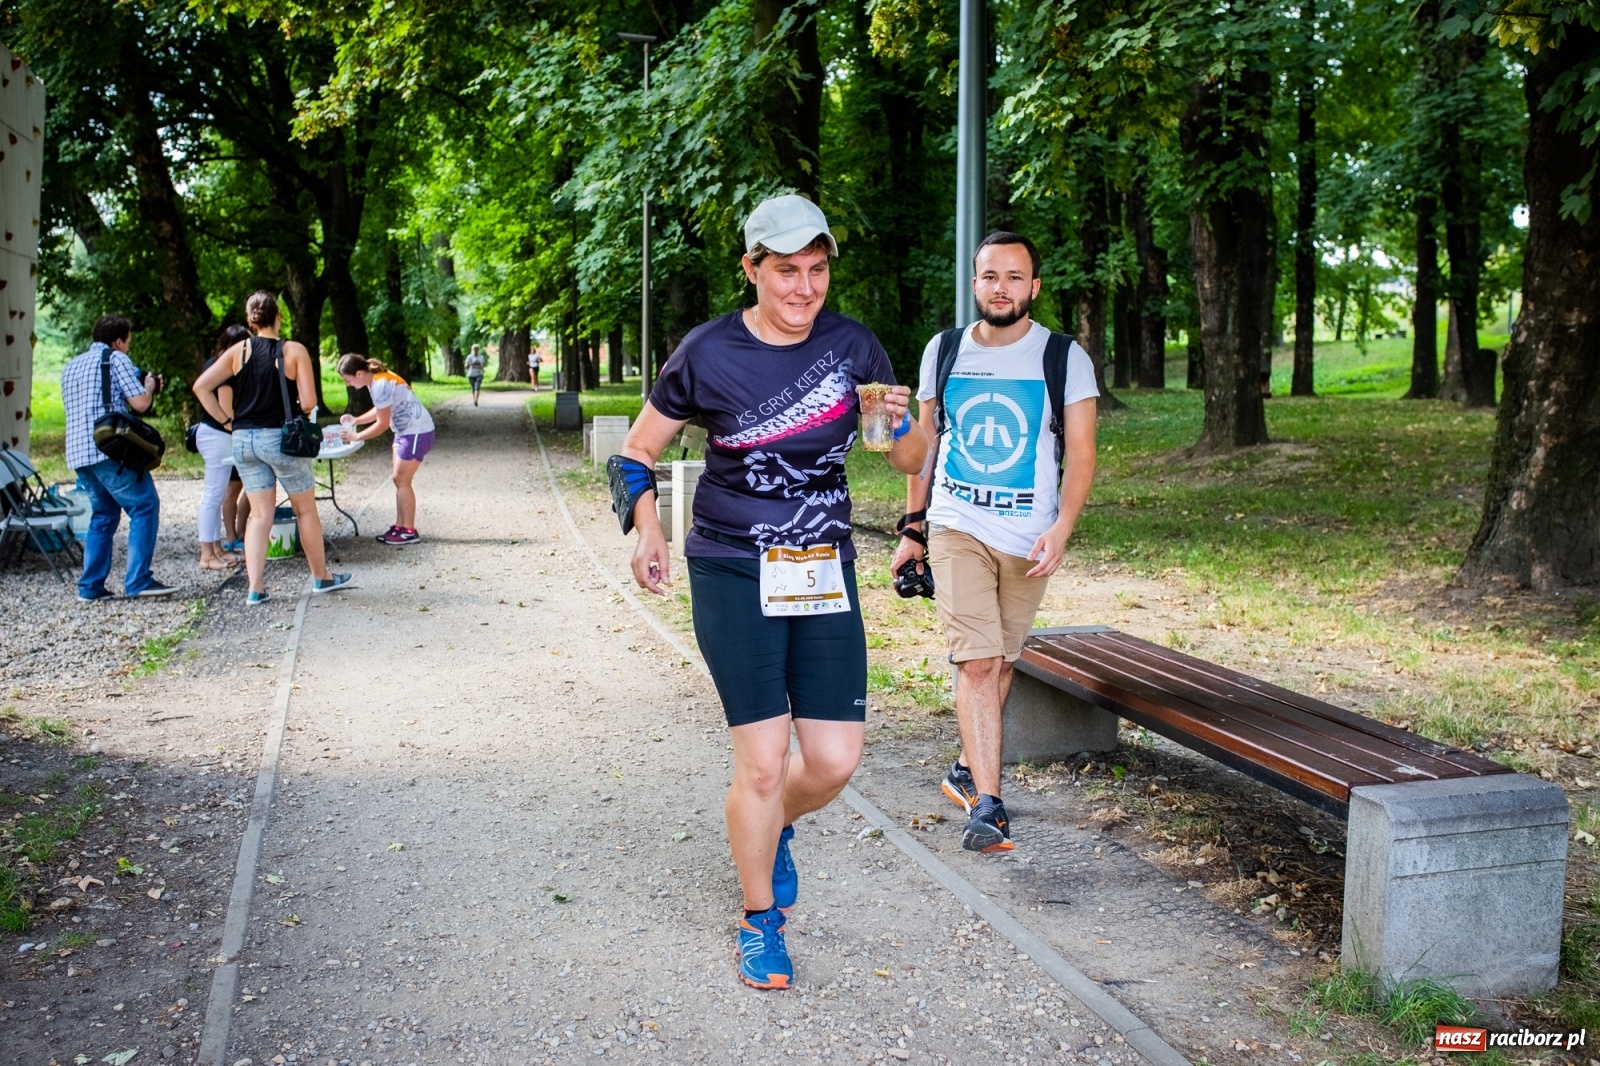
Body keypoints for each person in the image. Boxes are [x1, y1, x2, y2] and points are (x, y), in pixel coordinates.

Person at [611, 194, 929, 991]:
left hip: (822, 563)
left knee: (831, 760)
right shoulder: (706, 350)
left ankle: (773, 826)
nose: (804, 288)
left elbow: (905, 456)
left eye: (817, 271)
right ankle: (760, 923)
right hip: (729, 564)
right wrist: (648, 528)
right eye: (786, 271)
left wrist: (902, 421)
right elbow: (636, 450)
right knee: (760, 764)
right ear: (752, 269)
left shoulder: (854, 344)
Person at [890, 231, 1099, 853]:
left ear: (1032, 287)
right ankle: (989, 804)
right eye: (989, 276)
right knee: (978, 662)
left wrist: (1062, 528)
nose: (1000, 288)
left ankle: (964, 768)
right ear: (974, 283)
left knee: (1002, 662)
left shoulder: (1062, 356)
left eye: (1013, 277)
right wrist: (913, 528)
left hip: (1028, 537)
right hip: (958, 525)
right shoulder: (945, 350)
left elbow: (1082, 455)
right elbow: (923, 450)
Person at [192, 291, 354, 605]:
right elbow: (308, 402)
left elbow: (202, 386)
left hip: (243, 440)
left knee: (259, 515)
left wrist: (227, 421)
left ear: (250, 321)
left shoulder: (237, 351)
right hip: (280, 438)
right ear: (278, 317)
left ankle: (256, 588)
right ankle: (321, 578)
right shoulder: (293, 351)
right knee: (305, 509)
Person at [61, 315, 176, 601]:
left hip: (78, 453)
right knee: (145, 505)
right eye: (127, 342)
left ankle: (91, 587)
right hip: (108, 449)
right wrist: (149, 386)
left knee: (103, 515)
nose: (127, 348)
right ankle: (138, 580)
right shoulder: (115, 359)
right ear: (118, 340)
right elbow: (140, 403)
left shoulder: (70, 366)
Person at [335, 354, 436, 546]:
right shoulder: (377, 379)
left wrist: (356, 436)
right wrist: (357, 420)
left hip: (416, 432)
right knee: (399, 480)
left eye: (347, 380)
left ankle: (409, 531)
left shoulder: (380, 384)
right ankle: (400, 526)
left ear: (358, 373)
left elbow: (381, 424)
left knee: (401, 479)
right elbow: (382, 409)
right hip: (405, 431)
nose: (348, 384)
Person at [195, 324, 250, 571]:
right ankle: (207, 555)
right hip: (217, 436)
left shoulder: (213, 364)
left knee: (215, 496)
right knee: (212, 496)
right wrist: (231, 425)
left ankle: (216, 549)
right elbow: (227, 411)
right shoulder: (226, 372)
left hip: (211, 434)